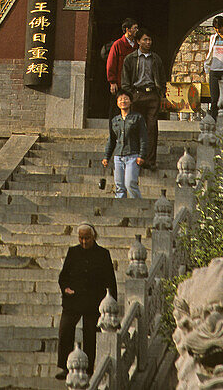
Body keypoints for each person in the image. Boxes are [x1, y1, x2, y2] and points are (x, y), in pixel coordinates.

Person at [56, 223, 117, 380]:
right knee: (65, 330)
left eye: (87, 238)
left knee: (90, 335)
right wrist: (66, 289)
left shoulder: (103, 254)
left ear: (93, 237)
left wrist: (112, 304)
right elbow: (63, 277)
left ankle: (89, 369)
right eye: (81, 238)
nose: (84, 242)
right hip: (73, 301)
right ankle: (65, 366)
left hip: (93, 302)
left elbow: (110, 281)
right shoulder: (73, 252)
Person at [121, 29, 165, 170]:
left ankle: (150, 161)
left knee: (151, 128)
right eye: (145, 40)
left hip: (152, 96)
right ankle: (134, 159)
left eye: (150, 40)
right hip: (137, 95)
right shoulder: (130, 59)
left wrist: (160, 93)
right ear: (138, 41)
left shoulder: (156, 59)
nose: (148, 42)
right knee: (135, 128)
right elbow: (125, 80)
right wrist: (130, 95)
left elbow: (162, 78)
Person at [102, 89, 147, 198]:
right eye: (120, 99)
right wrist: (106, 157)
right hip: (118, 156)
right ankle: (120, 210)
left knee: (130, 183)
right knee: (119, 186)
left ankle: (137, 206)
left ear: (131, 102)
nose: (123, 101)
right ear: (117, 103)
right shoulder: (115, 121)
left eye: (126, 99)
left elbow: (143, 138)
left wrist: (142, 155)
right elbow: (111, 140)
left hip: (133, 155)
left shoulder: (137, 118)